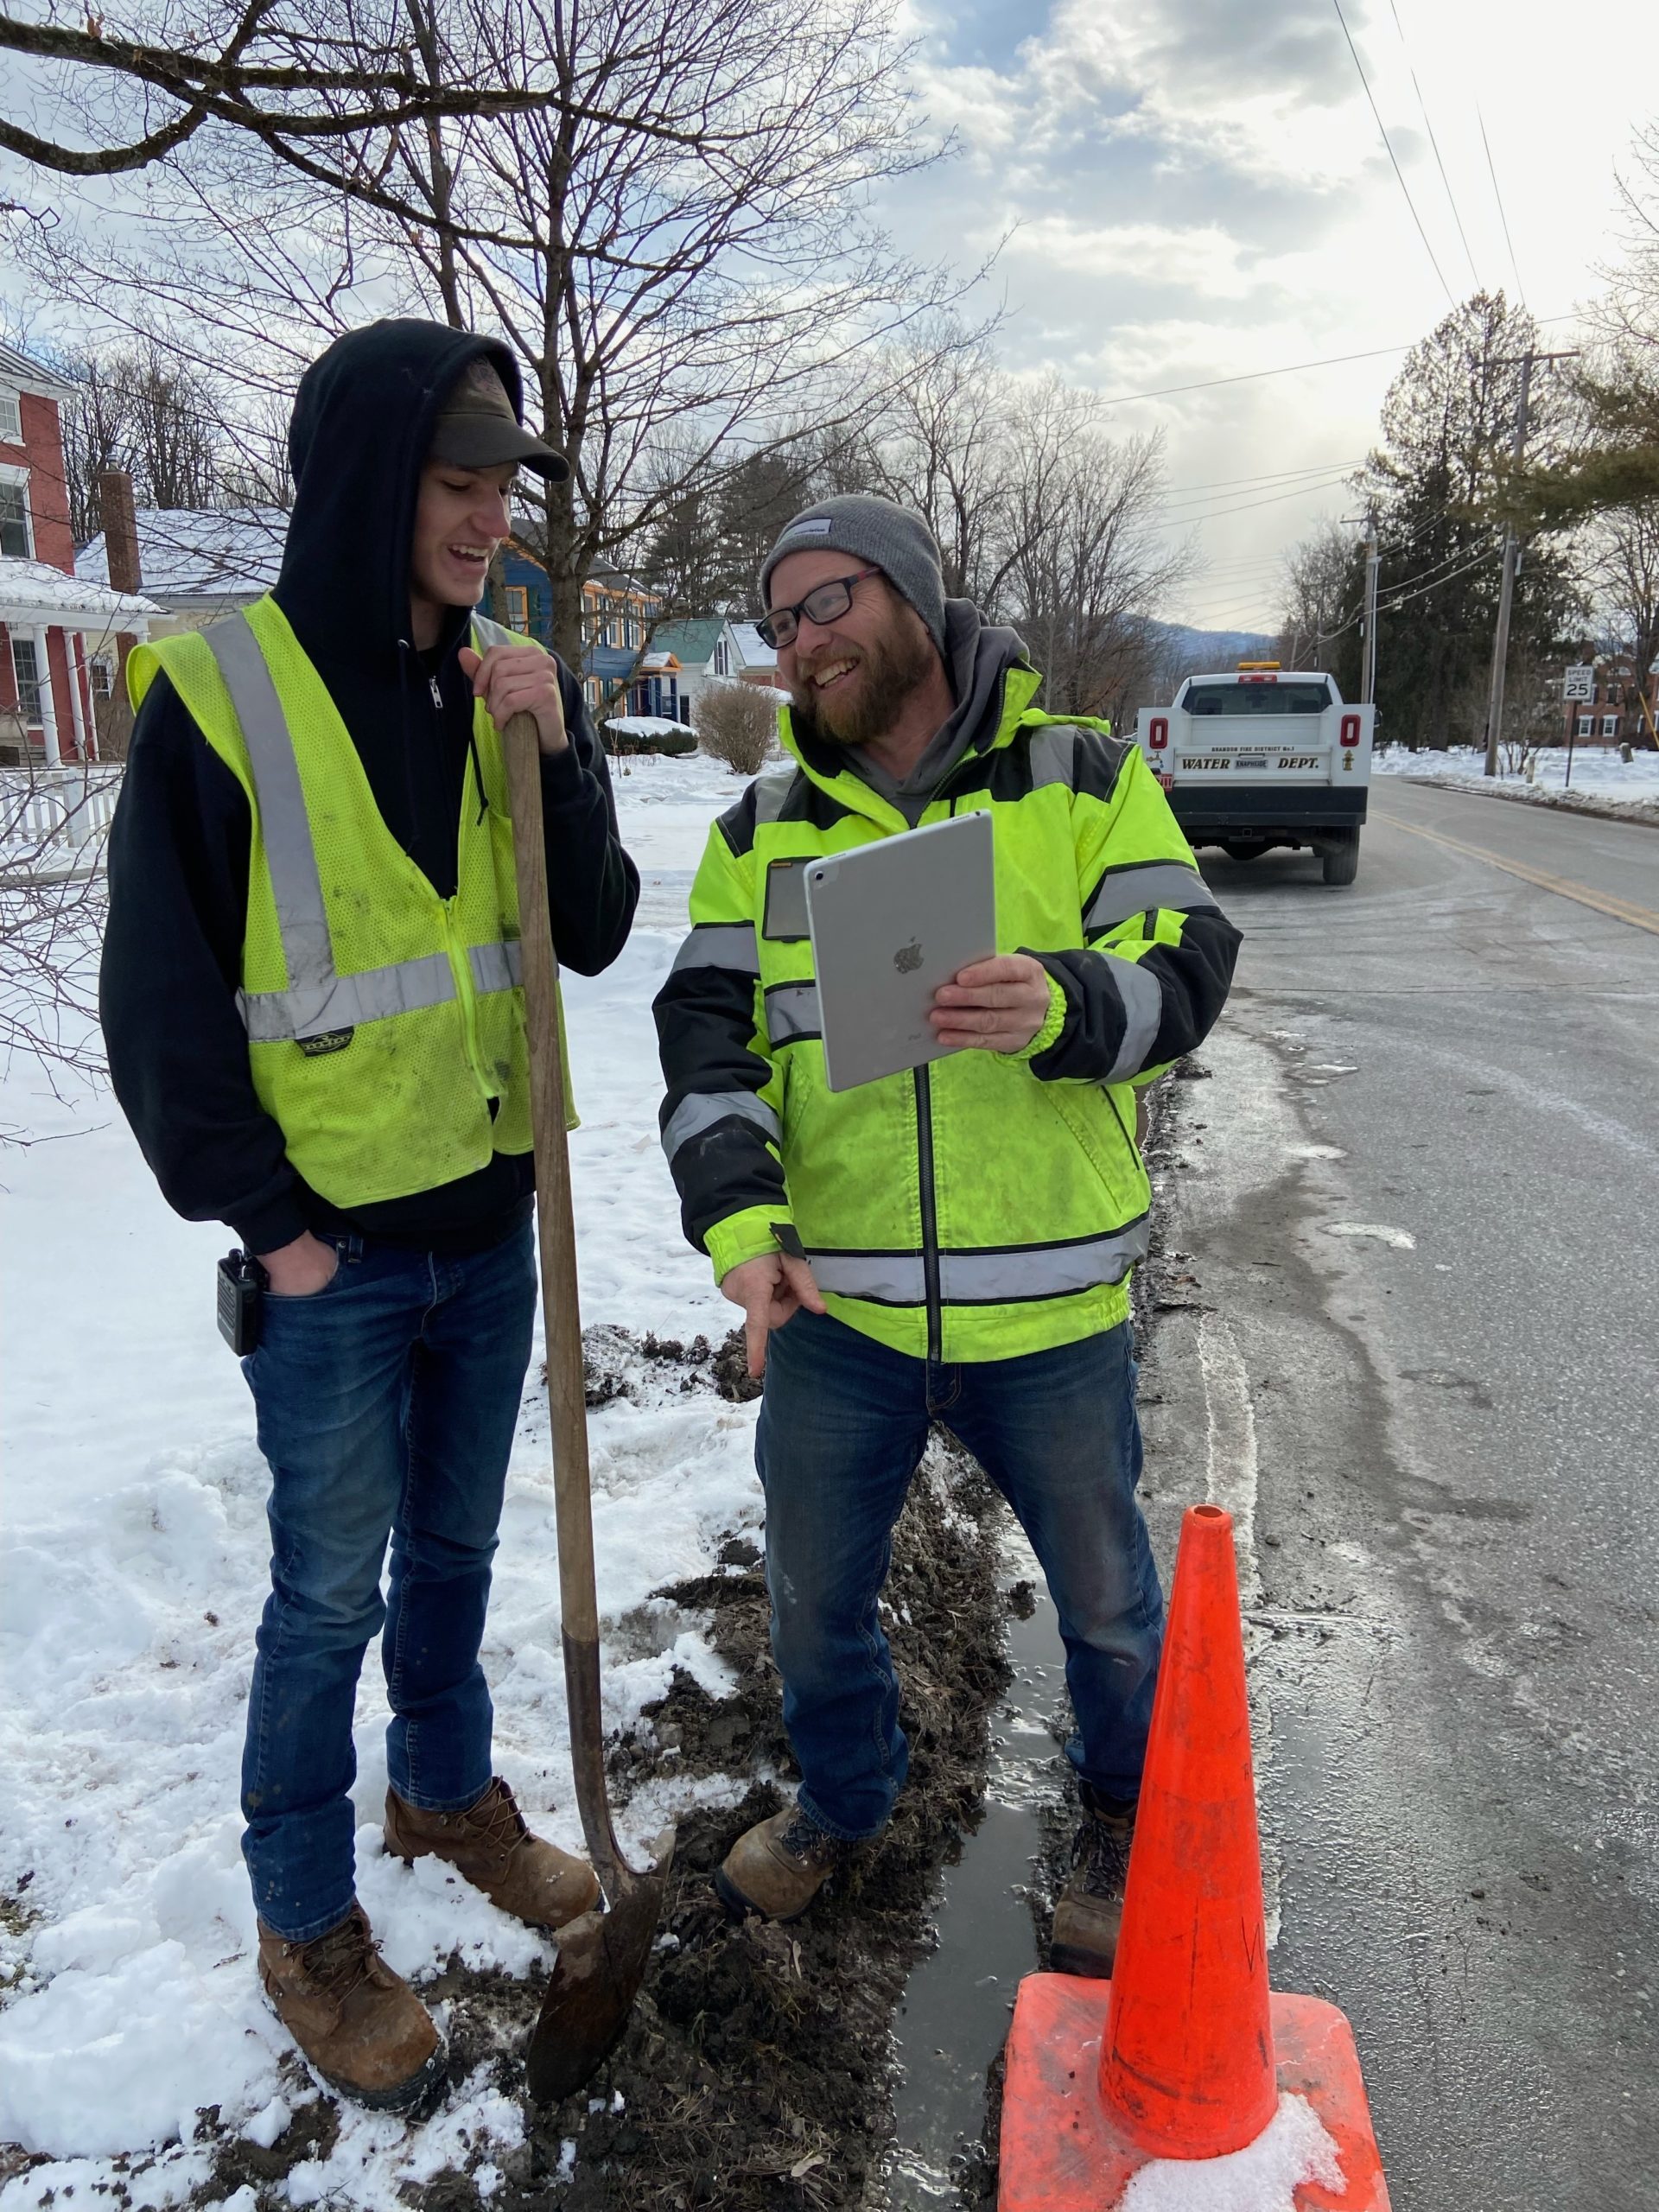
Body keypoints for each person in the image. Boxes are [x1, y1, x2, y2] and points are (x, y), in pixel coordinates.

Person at [101, 321, 639, 2111]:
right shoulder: (221, 689)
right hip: (330, 1253)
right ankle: (304, 1916)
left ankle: (444, 1786)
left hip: (491, 1229)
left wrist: (559, 754)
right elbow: (163, 1009)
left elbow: (592, 929)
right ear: (366, 479)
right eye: (457, 482)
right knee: (325, 1588)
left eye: (504, 489)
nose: (490, 519)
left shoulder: (505, 675)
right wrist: (274, 1222)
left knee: (458, 1552)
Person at [653, 495, 1240, 1971]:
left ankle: (1115, 1813)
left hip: (1046, 1323)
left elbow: (1192, 963)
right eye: (780, 622)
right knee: (813, 1607)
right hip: (839, 1318)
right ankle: (848, 1807)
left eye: (828, 600)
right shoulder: (763, 831)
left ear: (913, 597)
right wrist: (741, 1228)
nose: (802, 639)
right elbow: (707, 1048)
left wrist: (1064, 1003)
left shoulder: (1081, 779)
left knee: (1109, 1609)